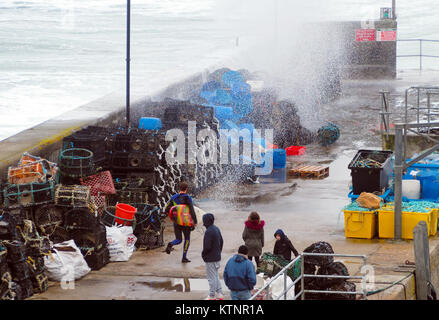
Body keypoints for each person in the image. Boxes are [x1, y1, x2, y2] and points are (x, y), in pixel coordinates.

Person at [164, 181, 197, 263]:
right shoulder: (187, 198)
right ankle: (184, 257)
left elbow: (166, 209)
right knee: (187, 240)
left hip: (177, 221)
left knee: (178, 239)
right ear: (186, 189)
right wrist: (194, 221)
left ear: (179, 188)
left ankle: (171, 244)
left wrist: (173, 216)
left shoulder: (174, 197)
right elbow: (192, 210)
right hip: (186, 222)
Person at [201, 213, 224, 300]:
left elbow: (207, 247)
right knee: (216, 276)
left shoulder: (209, 231)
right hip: (217, 256)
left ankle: (212, 295)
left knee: (211, 278)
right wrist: (218, 252)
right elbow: (222, 241)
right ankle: (219, 293)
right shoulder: (216, 229)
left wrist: (204, 254)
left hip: (210, 258)